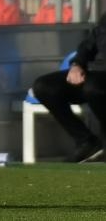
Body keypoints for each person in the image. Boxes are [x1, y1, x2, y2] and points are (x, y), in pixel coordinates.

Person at [32, 13, 106, 162]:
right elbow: (88, 46)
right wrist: (77, 64)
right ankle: (86, 141)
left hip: (97, 82)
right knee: (44, 86)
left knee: (92, 88)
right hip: (93, 73)